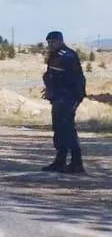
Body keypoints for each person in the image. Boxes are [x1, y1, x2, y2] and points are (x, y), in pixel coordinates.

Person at [41, 31, 86, 173]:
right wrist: (50, 89)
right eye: (49, 42)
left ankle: (76, 163)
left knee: (67, 129)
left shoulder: (67, 56)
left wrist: (54, 90)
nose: (50, 45)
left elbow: (70, 80)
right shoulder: (55, 56)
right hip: (59, 97)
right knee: (59, 129)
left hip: (68, 97)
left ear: (60, 41)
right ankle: (60, 161)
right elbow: (51, 75)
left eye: (53, 42)